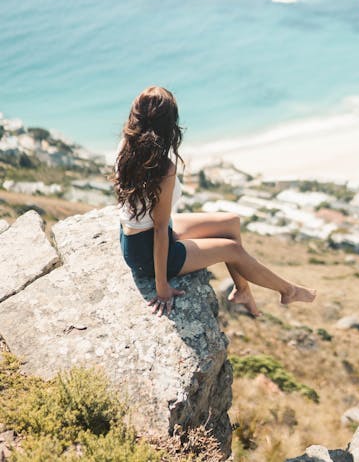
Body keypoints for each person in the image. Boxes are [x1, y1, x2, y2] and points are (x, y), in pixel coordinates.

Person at [112, 85, 316, 318]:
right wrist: (162, 287)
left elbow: (150, 217)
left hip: (139, 236)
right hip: (147, 251)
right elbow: (158, 229)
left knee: (230, 222)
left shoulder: (127, 146)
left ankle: (243, 291)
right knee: (232, 249)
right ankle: (288, 290)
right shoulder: (163, 169)